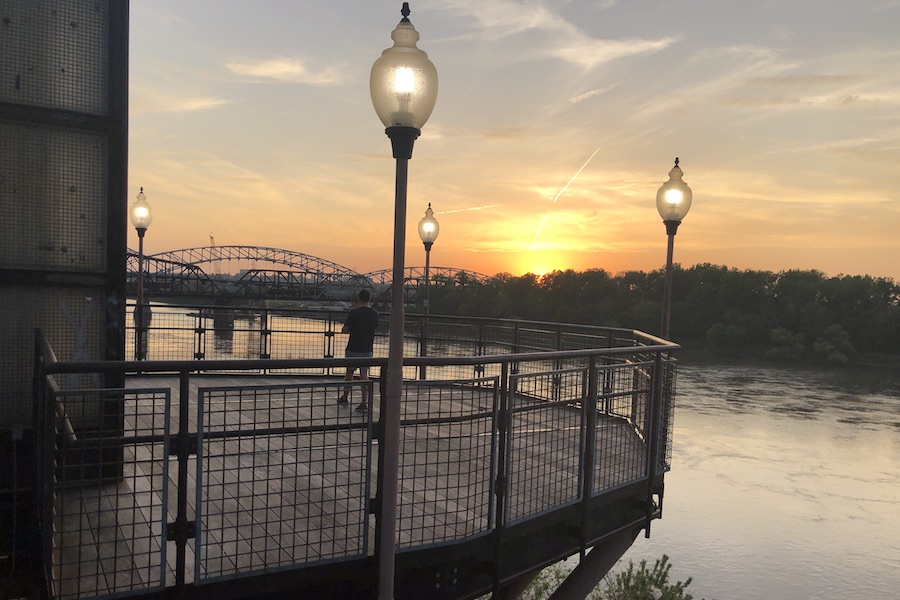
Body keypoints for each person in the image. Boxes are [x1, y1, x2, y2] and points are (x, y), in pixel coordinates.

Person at [338, 289, 379, 413]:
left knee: (349, 373)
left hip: (353, 347)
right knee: (364, 375)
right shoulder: (375, 314)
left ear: (359, 299)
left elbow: (345, 329)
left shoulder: (353, 313)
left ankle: (345, 397)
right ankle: (363, 402)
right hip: (367, 347)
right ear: (369, 299)